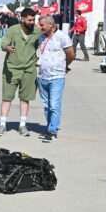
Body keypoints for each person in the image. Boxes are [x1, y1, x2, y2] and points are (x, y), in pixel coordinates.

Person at [0, 7, 40, 137]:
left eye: (33, 19)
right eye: (30, 20)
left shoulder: (37, 32)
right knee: (7, 97)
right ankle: (2, 125)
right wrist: (7, 48)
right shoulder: (12, 30)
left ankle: (22, 125)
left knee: (25, 98)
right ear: (22, 19)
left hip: (28, 69)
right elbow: (3, 44)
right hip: (12, 69)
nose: (32, 22)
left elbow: (39, 45)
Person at [36, 15, 75, 143]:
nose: (39, 27)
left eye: (42, 25)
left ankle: (53, 131)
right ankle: (49, 127)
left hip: (56, 77)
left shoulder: (62, 37)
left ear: (51, 25)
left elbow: (70, 54)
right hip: (43, 76)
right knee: (47, 106)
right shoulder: (41, 37)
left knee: (54, 105)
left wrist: (64, 66)